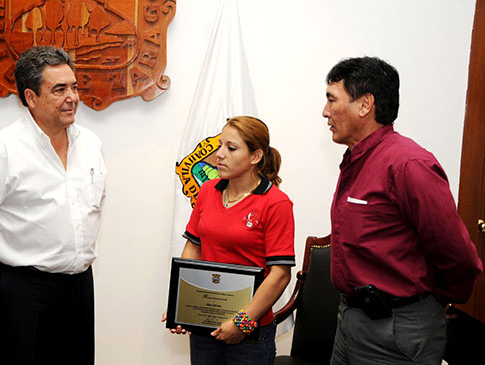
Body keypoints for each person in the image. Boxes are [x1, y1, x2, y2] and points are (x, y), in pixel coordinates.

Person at [322, 56, 483, 364]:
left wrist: (432, 302)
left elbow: (457, 254)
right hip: (350, 323)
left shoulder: (408, 164)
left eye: (332, 100)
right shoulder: (356, 160)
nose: (325, 111)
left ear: (365, 104)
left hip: (396, 331)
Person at [0, 46, 106, 364]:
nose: (72, 97)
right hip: (23, 292)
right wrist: (6, 275)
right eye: (59, 89)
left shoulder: (90, 144)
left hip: (80, 287)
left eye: (74, 87)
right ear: (31, 97)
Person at [163, 116, 295, 364]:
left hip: (251, 336)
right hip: (205, 328)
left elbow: (280, 275)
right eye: (220, 145)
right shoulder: (207, 191)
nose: (218, 155)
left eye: (231, 148)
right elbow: (194, 246)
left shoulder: (276, 203)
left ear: (255, 156)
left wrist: (242, 323)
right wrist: (182, 304)